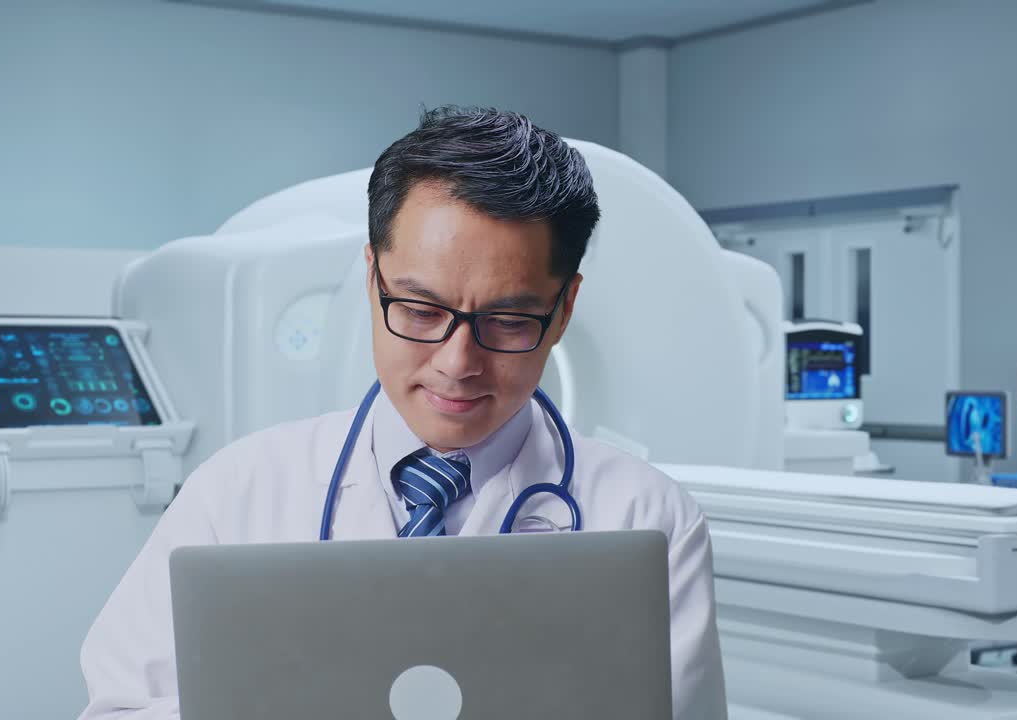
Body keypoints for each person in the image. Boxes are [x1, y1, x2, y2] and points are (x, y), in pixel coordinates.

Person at [78, 106, 727, 719]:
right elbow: (121, 708)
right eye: (420, 311)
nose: (457, 361)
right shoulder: (236, 492)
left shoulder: (648, 520)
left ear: (563, 310)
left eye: (506, 320)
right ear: (371, 279)